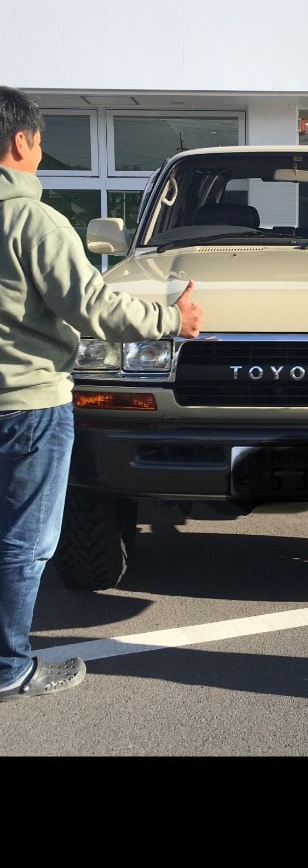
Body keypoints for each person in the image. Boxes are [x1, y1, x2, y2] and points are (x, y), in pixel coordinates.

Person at [0, 86, 204, 704]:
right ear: (21, 142)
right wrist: (175, 321)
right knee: (23, 542)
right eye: (39, 140)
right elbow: (91, 307)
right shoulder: (33, 221)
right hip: (27, 404)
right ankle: (8, 666)